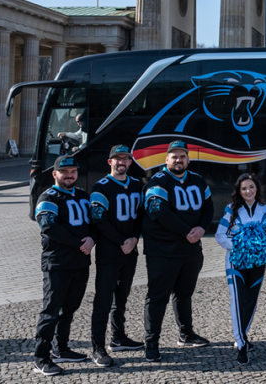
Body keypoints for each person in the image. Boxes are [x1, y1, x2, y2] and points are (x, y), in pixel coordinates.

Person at [141, 140, 215, 362]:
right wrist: (187, 232)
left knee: (184, 294)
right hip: (163, 252)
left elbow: (209, 207)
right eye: (174, 156)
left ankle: (186, 333)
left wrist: (202, 228)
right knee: (157, 298)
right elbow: (159, 212)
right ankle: (151, 343)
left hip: (190, 251)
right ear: (166, 159)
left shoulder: (198, 180)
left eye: (182, 156)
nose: (178, 160)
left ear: (188, 159)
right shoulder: (157, 181)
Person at [32, 155, 95, 376]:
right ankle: (41, 358)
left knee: (69, 308)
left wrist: (92, 238)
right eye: (65, 171)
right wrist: (81, 242)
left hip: (80, 262)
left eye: (73, 171)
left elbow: (94, 222)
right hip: (57, 262)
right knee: (51, 311)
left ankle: (62, 348)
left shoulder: (83, 195)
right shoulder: (48, 196)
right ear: (55, 174)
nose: (70, 175)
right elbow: (49, 227)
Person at [88, 145, 144, 367]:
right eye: (117, 159)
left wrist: (134, 239)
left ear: (130, 162)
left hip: (130, 250)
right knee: (103, 300)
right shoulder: (100, 187)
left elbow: (140, 215)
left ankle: (118, 337)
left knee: (122, 297)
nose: (121, 162)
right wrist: (122, 241)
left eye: (125, 159)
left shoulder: (137, 185)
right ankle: (97, 348)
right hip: (110, 251)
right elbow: (99, 220)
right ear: (109, 162)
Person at [215, 173, 266, 365]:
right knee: (237, 300)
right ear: (239, 191)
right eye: (244, 188)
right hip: (235, 262)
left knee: (250, 301)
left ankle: (243, 335)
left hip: (258, 264)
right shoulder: (231, 209)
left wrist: (264, 243)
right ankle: (241, 344)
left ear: (257, 188)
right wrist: (240, 244)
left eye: (251, 187)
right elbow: (219, 234)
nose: (248, 191)